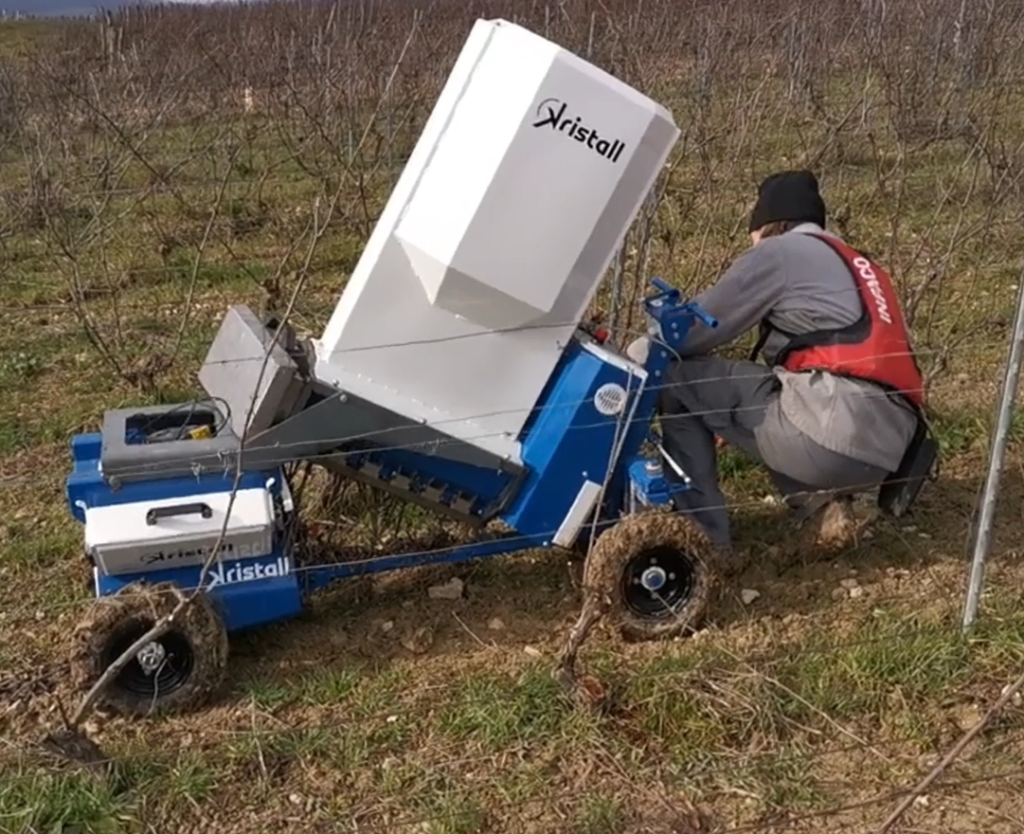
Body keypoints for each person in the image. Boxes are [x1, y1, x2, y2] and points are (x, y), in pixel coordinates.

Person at [640, 170, 927, 553]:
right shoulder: (860, 264)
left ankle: (702, 541)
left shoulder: (778, 253)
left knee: (676, 378)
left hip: (832, 435)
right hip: (893, 449)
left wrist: (640, 347)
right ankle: (823, 507)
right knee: (784, 390)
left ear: (769, 226)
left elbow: (691, 334)